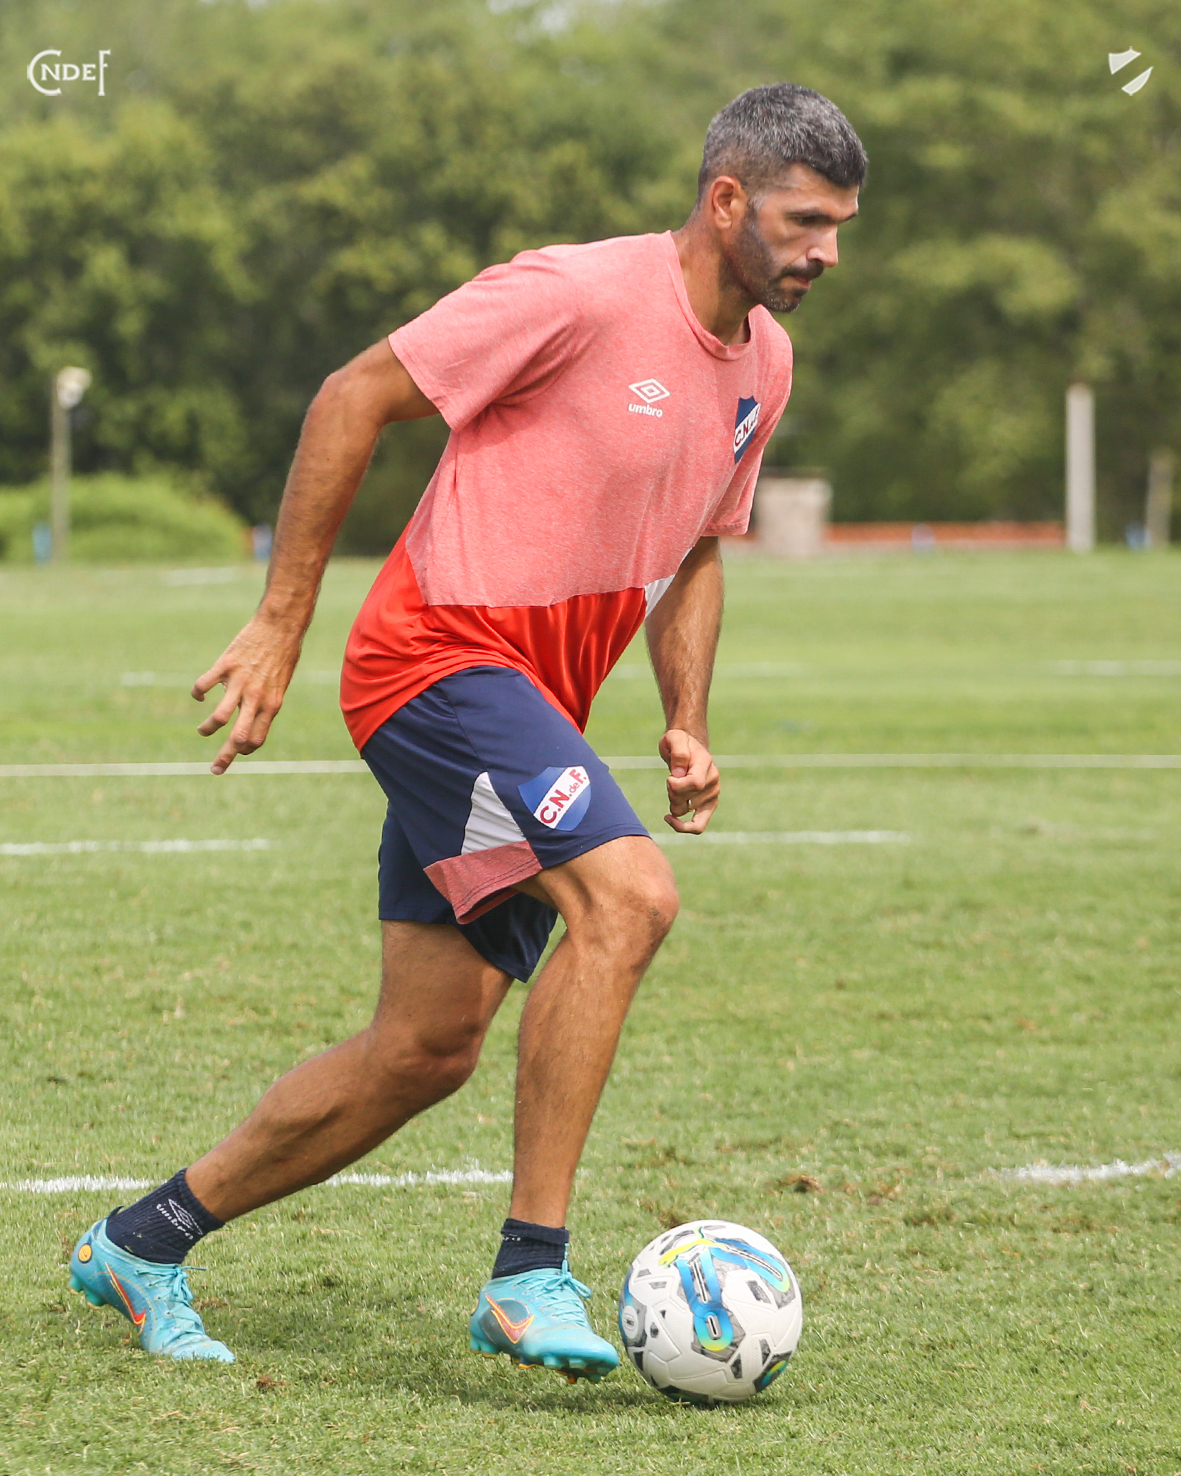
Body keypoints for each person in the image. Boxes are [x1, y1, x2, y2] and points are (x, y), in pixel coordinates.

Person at [69, 83, 865, 1378]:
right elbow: (350, 397)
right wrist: (279, 622)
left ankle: (140, 1241)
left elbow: (699, 549)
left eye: (838, 227)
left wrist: (686, 719)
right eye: (803, 220)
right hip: (435, 658)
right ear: (727, 201)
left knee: (425, 1048)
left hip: (526, 704)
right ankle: (528, 1273)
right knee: (628, 901)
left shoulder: (763, 364)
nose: (825, 251)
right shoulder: (572, 293)